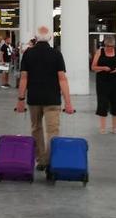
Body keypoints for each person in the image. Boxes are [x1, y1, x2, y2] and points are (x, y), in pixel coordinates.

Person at [16, 26, 75, 171]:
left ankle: (41, 160)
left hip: (34, 98)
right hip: (52, 98)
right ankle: (50, 161)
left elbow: (24, 78)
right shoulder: (56, 54)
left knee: (36, 128)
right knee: (53, 130)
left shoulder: (28, 54)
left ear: (35, 38)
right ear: (50, 38)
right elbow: (62, 79)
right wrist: (68, 102)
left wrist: (20, 99)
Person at [91, 35, 116, 134]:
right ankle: (102, 127)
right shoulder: (100, 52)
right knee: (103, 102)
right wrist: (103, 68)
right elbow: (93, 67)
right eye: (107, 46)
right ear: (104, 45)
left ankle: (115, 127)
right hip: (103, 81)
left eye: (111, 46)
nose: (109, 48)